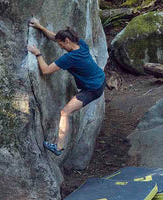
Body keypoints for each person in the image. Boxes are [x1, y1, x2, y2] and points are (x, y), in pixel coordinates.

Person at [27, 18, 106, 156]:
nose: (60, 47)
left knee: (65, 112)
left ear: (67, 41)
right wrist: (41, 27)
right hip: (100, 79)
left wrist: (37, 54)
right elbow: (56, 37)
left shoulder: (69, 58)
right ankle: (59, 146)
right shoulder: (80, 44)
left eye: (61, 45)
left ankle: (58, 147)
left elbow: (45, 70)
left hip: (92, 90)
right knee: (67, 111)